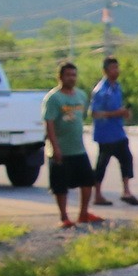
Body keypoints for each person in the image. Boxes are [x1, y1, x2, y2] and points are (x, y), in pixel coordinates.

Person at [42, 60, 101, 226]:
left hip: (78, 149)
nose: (71, 78)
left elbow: (80, 120)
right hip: (60, 150)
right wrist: (55, 147)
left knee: (88, 181)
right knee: (60, 186)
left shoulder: (81, 95)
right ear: (60, 77)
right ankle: (64, 217)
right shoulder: (53, 98)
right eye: (68, 75)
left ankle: (83, 214)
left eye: (74, 75)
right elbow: (50, 124)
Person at [89, 56, 138, 207]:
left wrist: (124, 113)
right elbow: (94, 113)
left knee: (127, 159)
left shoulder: (117, 87)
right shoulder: (100, 91)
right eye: (113, 68)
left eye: (117, 68)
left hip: (118, 132)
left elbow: (119, 108)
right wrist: (115, 113)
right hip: (105, 134)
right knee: (102, 164)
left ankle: (126, 191)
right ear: (105, 71)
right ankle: (97, 195)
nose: (116, 71)